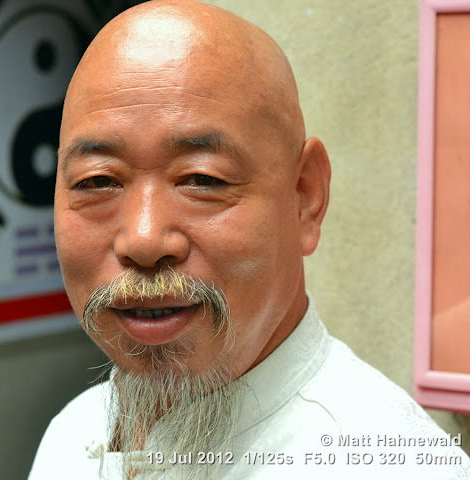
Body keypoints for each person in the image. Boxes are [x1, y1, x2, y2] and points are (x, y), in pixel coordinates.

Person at [29, 1, 470, 478]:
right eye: (98, 181)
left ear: (305, 196)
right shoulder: (72, 436)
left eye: (202, 179)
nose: (144, 239)